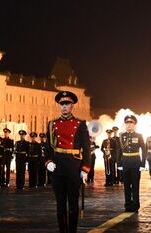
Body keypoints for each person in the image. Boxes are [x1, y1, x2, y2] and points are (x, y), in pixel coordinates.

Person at [44, 91, 91, 233]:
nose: (64, 107)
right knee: (60, 203)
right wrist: (48, 162)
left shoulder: (80, 124)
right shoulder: (52, 124)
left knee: (72, 203)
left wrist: (85, 169)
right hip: (58, 167)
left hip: (73, 167)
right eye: (62, 104)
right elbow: (47, 147)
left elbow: (86, 148)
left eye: (67, 104)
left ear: (72, 106)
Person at [117, 115, 147, 212]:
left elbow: (144, 150)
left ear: (134, 125)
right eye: (127, 123)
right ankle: (127, 205)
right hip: (125, 162)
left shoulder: (139, 136)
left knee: (135, 185)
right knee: (126, 186)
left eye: (131, 123)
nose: (129, 125)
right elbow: (119, 151)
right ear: (125, 125)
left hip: (135, 163)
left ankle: (135, 205)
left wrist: (142, 164)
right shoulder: (121, 136)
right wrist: (119, 164)